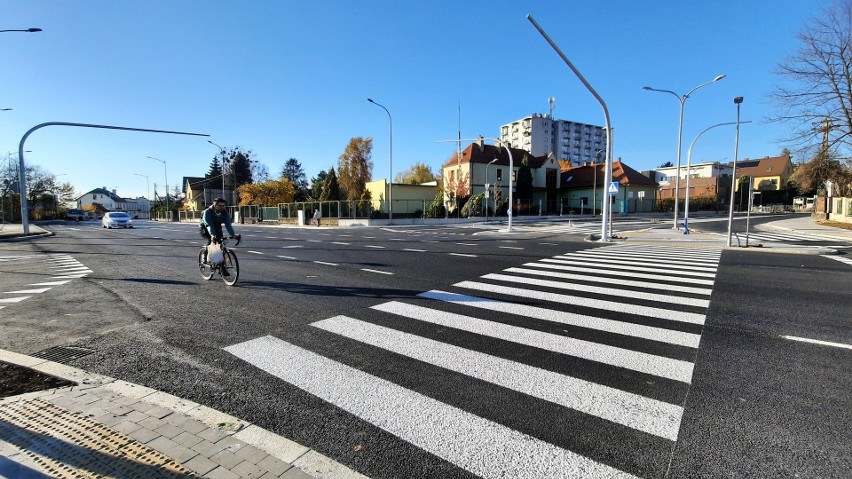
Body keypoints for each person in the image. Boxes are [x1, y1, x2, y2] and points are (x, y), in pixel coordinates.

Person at [200, 198, 240, 275]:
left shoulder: (225, 213)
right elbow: (209, 225)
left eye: (224, 206)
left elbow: (228, 225)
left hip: (217, 228)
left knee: (220, 246)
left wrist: (233, 235)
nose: (222, 207)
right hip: (205, 228)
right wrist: (212, 235)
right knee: (211, 241)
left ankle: (222, 268)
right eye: (220, 205)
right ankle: (204, 255)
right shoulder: (208, 212)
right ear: (215, 205)